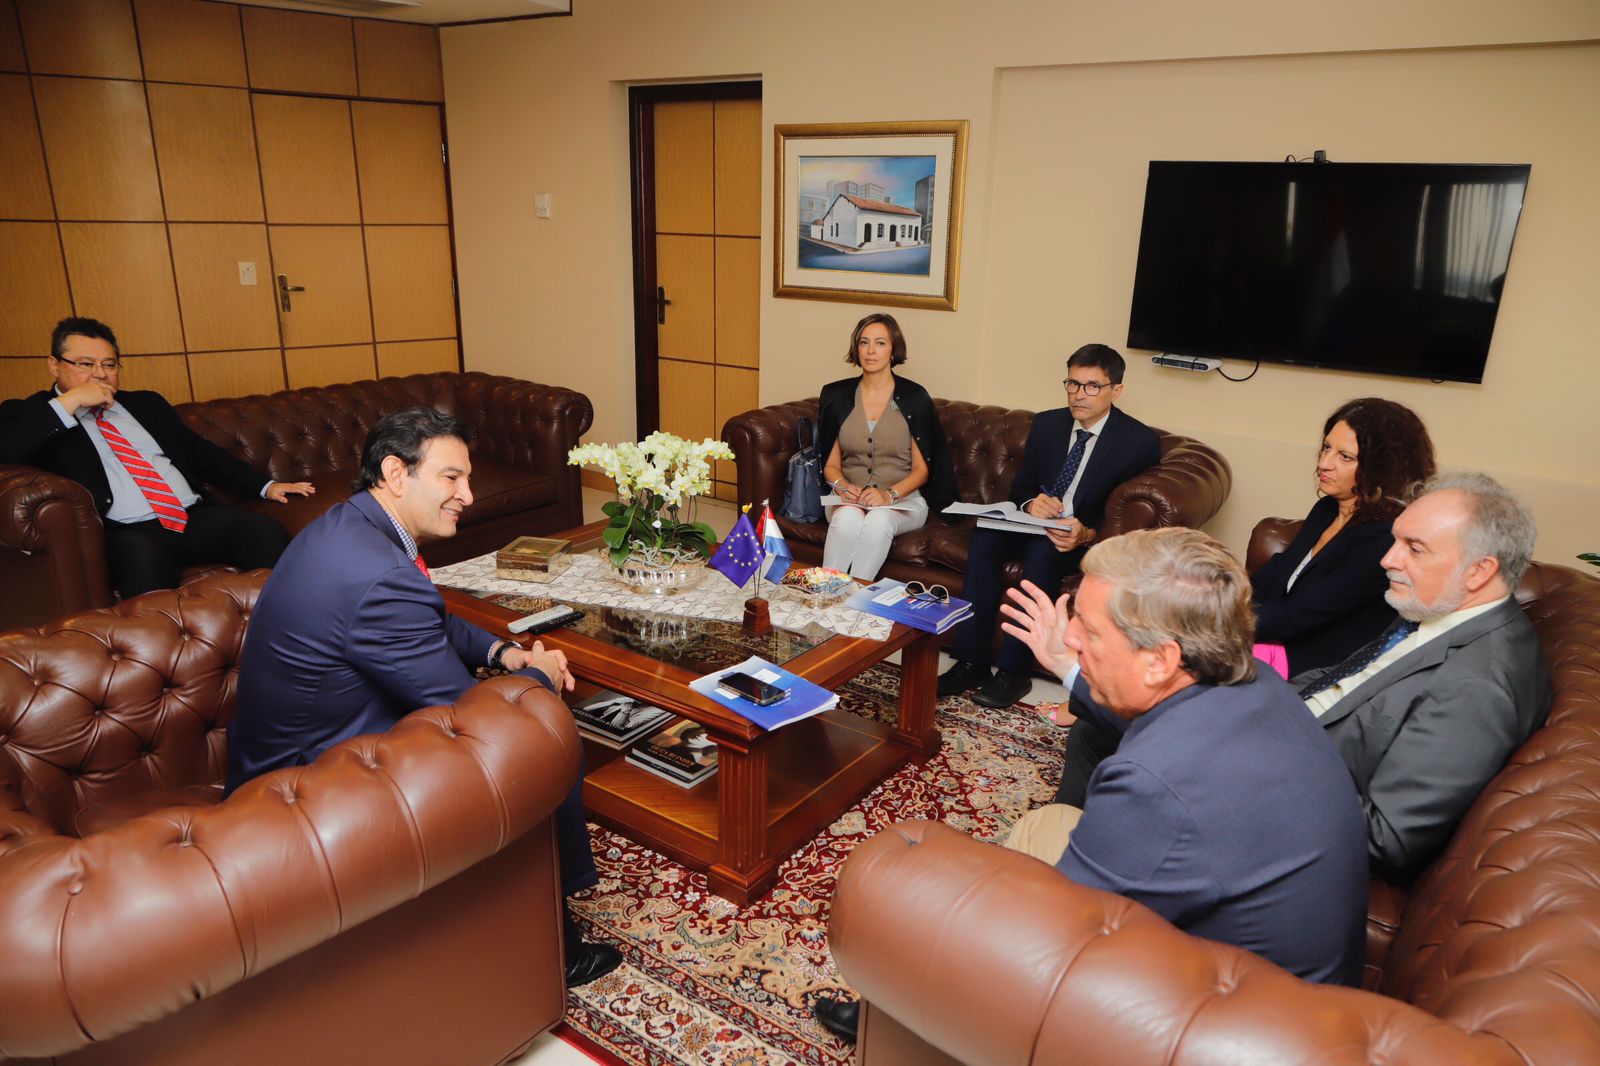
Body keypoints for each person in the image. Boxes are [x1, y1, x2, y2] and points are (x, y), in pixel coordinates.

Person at [814, 529, 1368, 1044]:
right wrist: (1067, 665)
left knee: (961, 912)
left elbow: (1049, 946)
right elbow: (1170, 726)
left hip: (1220, 1028)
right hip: (1286, 992)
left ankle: (895, 1022)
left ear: (1160, 660)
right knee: (1046, 825)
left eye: (1090, 629)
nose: (1071, 635)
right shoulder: (1249, 681)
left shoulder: (1153, 786)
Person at [225, 407, 622, 986]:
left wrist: (504, 654)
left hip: (289, 748)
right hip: (307, 787)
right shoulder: (378, 572)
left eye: (467, 478)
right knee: (536, 736)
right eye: (451, 478)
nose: (468, 494)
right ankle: (554, 947)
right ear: (395, 472)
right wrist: (537, 680)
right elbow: (471, 726)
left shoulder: (352, 528)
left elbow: (426, 618)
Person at [1056, 473, 1553, 880]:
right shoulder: (1438, 613)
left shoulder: (1480, 683)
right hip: (1282, 736)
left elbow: (1385, 838)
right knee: (1104, 725)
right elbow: (1336, 682)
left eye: (1413, 548)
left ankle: (1088, 883)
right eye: (1395, 540)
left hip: (1283, 790)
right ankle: (1090, 853)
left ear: (1478, 571)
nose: (1387, 559)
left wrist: (1242, 769)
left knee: (1126, 731)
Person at [0, 317, 314, 599]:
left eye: (109, 365)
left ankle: (288, 625)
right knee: (143, 559)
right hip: (125, 532)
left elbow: (202, 454)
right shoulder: (35, 415)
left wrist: (266, 486)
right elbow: (9, 448)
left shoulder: (146, 404)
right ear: (54, 365)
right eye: (85, 364)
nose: (100, 375)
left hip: (191, 517)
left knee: (263, 531)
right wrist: (69, 403)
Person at [937, 343, 1161, 709]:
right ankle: (970, 661)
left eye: (1092, 386)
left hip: (1076, 538)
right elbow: (1022, 487)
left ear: (1116, 390)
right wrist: (1030, 503)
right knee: (986, 535)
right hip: (1032, 524)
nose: (1079, 395)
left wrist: (1086, 534)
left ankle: (1013, 672)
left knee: (1044, 551)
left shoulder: (1138, 443)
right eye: (1072, 384)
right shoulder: (1047, 424)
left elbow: (1125, 516)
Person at [1251, 397, 1435, 676]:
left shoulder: (1385, 538)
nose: (1324, 463)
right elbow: (1273, 578)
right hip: (1276, 640)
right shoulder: (1328, 508)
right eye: (1326, 447)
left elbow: (1300, 616)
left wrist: (1214, 621)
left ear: (1383, 467)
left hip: (1313, 668)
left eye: (1345, 457)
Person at [817, 313, 956, 580]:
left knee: (878, 520)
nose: (870, 351)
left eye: (880, 343)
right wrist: (844, 487)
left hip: (903, 502)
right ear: (856, 348)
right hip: (848, 498)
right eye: (864, 342)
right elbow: (831, 465)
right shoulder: (835, 396)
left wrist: (887, 496)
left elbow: (922, 470)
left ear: (893, 350)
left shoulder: (915, 398)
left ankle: (854, 600)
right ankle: (824, 590)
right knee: (847, 519)